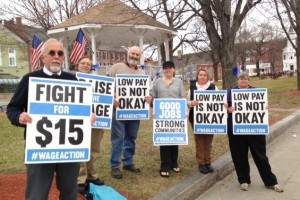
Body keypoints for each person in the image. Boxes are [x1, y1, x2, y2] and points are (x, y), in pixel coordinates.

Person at [6, 38, 85, 199]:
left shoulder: (73, 80)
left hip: (69, 148)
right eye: (52, 53)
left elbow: (81, 110)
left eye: (60, 53)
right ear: (43, 57)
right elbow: (12, 108)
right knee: (37, 193)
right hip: (40, 148)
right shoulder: (30, 79)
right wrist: (19, 116)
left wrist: (87, 117)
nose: (56, 56)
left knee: (70, 192)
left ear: (64, 58)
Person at [227, 72, 283, 192]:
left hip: (255, 129)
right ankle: (244, 180)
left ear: (249, 80)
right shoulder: (230, 92)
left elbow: (262, 106)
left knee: (260, 156)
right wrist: (228, 109)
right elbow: (223, 108)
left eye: (246, 79)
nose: (243, 80)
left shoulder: (257, 92)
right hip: (236, 130)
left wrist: (265, 107)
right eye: (241, 78)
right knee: (239, 156)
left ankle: (271, 182)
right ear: (237, 80)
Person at [107, 46, 152, 179]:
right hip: (118, 111)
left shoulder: (142, 73)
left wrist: (148, 97)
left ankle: (128, 162)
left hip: (135, 112)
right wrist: (112, 97)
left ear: (140, 57)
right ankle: (115, 166)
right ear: (128, 54)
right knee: (118, 138)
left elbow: (144, 92)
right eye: (132, 53)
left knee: (131, 137)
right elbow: (106, 85)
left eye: (137, 54)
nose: (134, 56)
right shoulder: (116, 67)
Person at [151, 61, 186, 178]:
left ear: (174, 69)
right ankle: (165, 166)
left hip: (175, 115)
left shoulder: (179, 82)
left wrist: (185, 111)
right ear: (163, 70)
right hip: (162, 116)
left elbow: (183, 97)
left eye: (170, 68)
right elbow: (153, 98)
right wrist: (154, 111)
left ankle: (174, 163)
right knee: (164, 141)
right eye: (165, 68)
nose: (168, 70)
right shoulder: (157, 82)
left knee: (175, 140)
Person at [76, 56, 105, 193]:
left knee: (94, 149)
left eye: (88, 64)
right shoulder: (71, 80)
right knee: (80, 149)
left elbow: (106, 98)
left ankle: (92, 176)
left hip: (97, 121)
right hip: (78, 121)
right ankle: (80, 179)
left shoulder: (99, 82)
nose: (86, 65)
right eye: (83, 63)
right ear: (77, 65)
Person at [187, 69, 217, 174]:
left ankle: (208, 162)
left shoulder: (213, 87)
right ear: (197, 76)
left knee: (208, 141)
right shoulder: (192, 87)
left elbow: (219, 100)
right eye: (200, 75)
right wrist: (191, 103)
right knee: (199, 141)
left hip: (210, 118)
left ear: (207, 77)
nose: (202, 77)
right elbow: (187, 102)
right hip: (196, 118)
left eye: (204, 75)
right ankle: (201, 163)